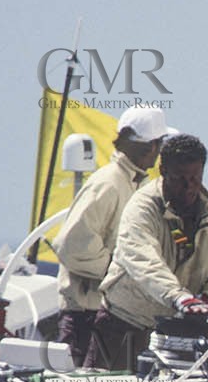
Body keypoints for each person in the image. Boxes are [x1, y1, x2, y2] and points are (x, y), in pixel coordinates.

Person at [87, 133, 208, 371]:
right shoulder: (141, 208)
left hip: (183, 333)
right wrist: (179, 297)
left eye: (195, 178)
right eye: (180, 178)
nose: (189, 187)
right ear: (163, 171)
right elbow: (143, 260)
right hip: (124, 326)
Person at [51, 105, 174, 364]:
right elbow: (71, 246)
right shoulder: (109, 183)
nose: (160, 151)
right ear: (149, 146)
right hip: (87, 316)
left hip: (109, 316)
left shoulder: (132, 185)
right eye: (159, 144)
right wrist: (119, 274)